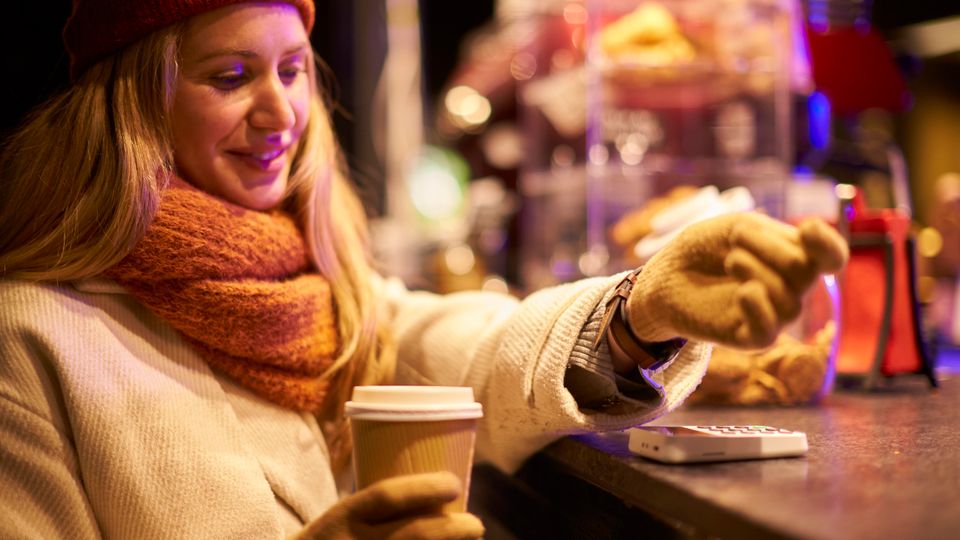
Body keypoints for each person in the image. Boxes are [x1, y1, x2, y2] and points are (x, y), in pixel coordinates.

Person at [0, 1, 848, 538]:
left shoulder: (324, 290)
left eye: (294, 70)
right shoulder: (31, 335)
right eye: (231, 76)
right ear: (133, 104)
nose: (281, 113)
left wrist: (636, 315)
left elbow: (457, 346)